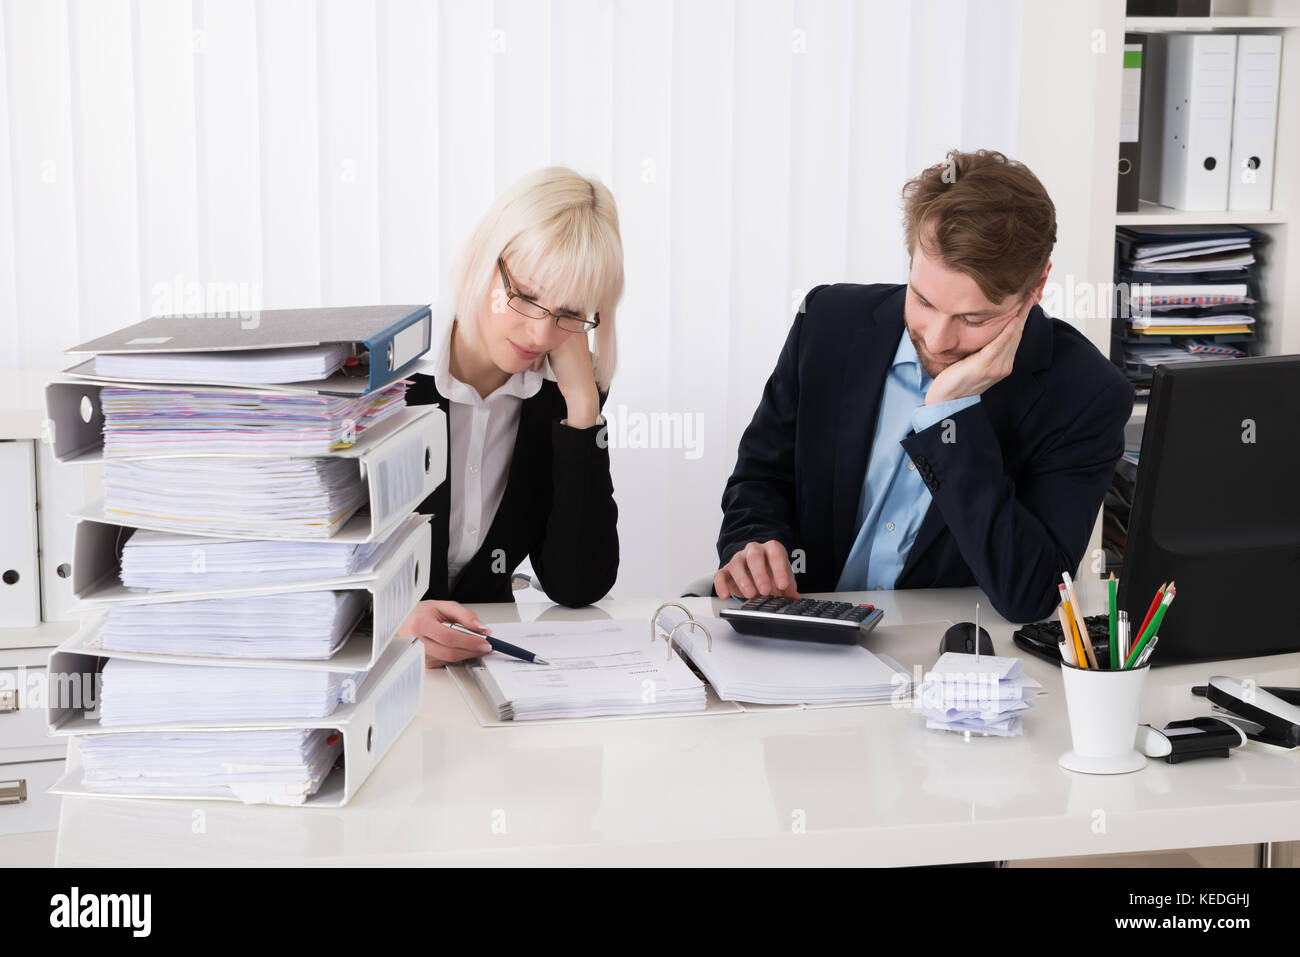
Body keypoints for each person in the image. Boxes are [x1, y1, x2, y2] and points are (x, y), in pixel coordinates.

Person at [715, 149, 1133, 623]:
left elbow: (1032, 592)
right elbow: (761, 478)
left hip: (946, 660)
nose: (938, 340)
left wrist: (948, 417)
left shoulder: (1085, 395)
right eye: (923, 300)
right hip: (804, 632)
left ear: (1035, 289)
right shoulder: (829, 323)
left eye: (974, 318)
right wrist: (755, 543)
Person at [399, 166, 624, 667]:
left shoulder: (561, 397)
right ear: (486, 259)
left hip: (488, 668)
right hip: (380, 673)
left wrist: (583, 417)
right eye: (525, 296)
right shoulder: (394, 380)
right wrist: (389, 623)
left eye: (570, 313)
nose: (541, 335)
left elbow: (578, 583)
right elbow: (314, 568)